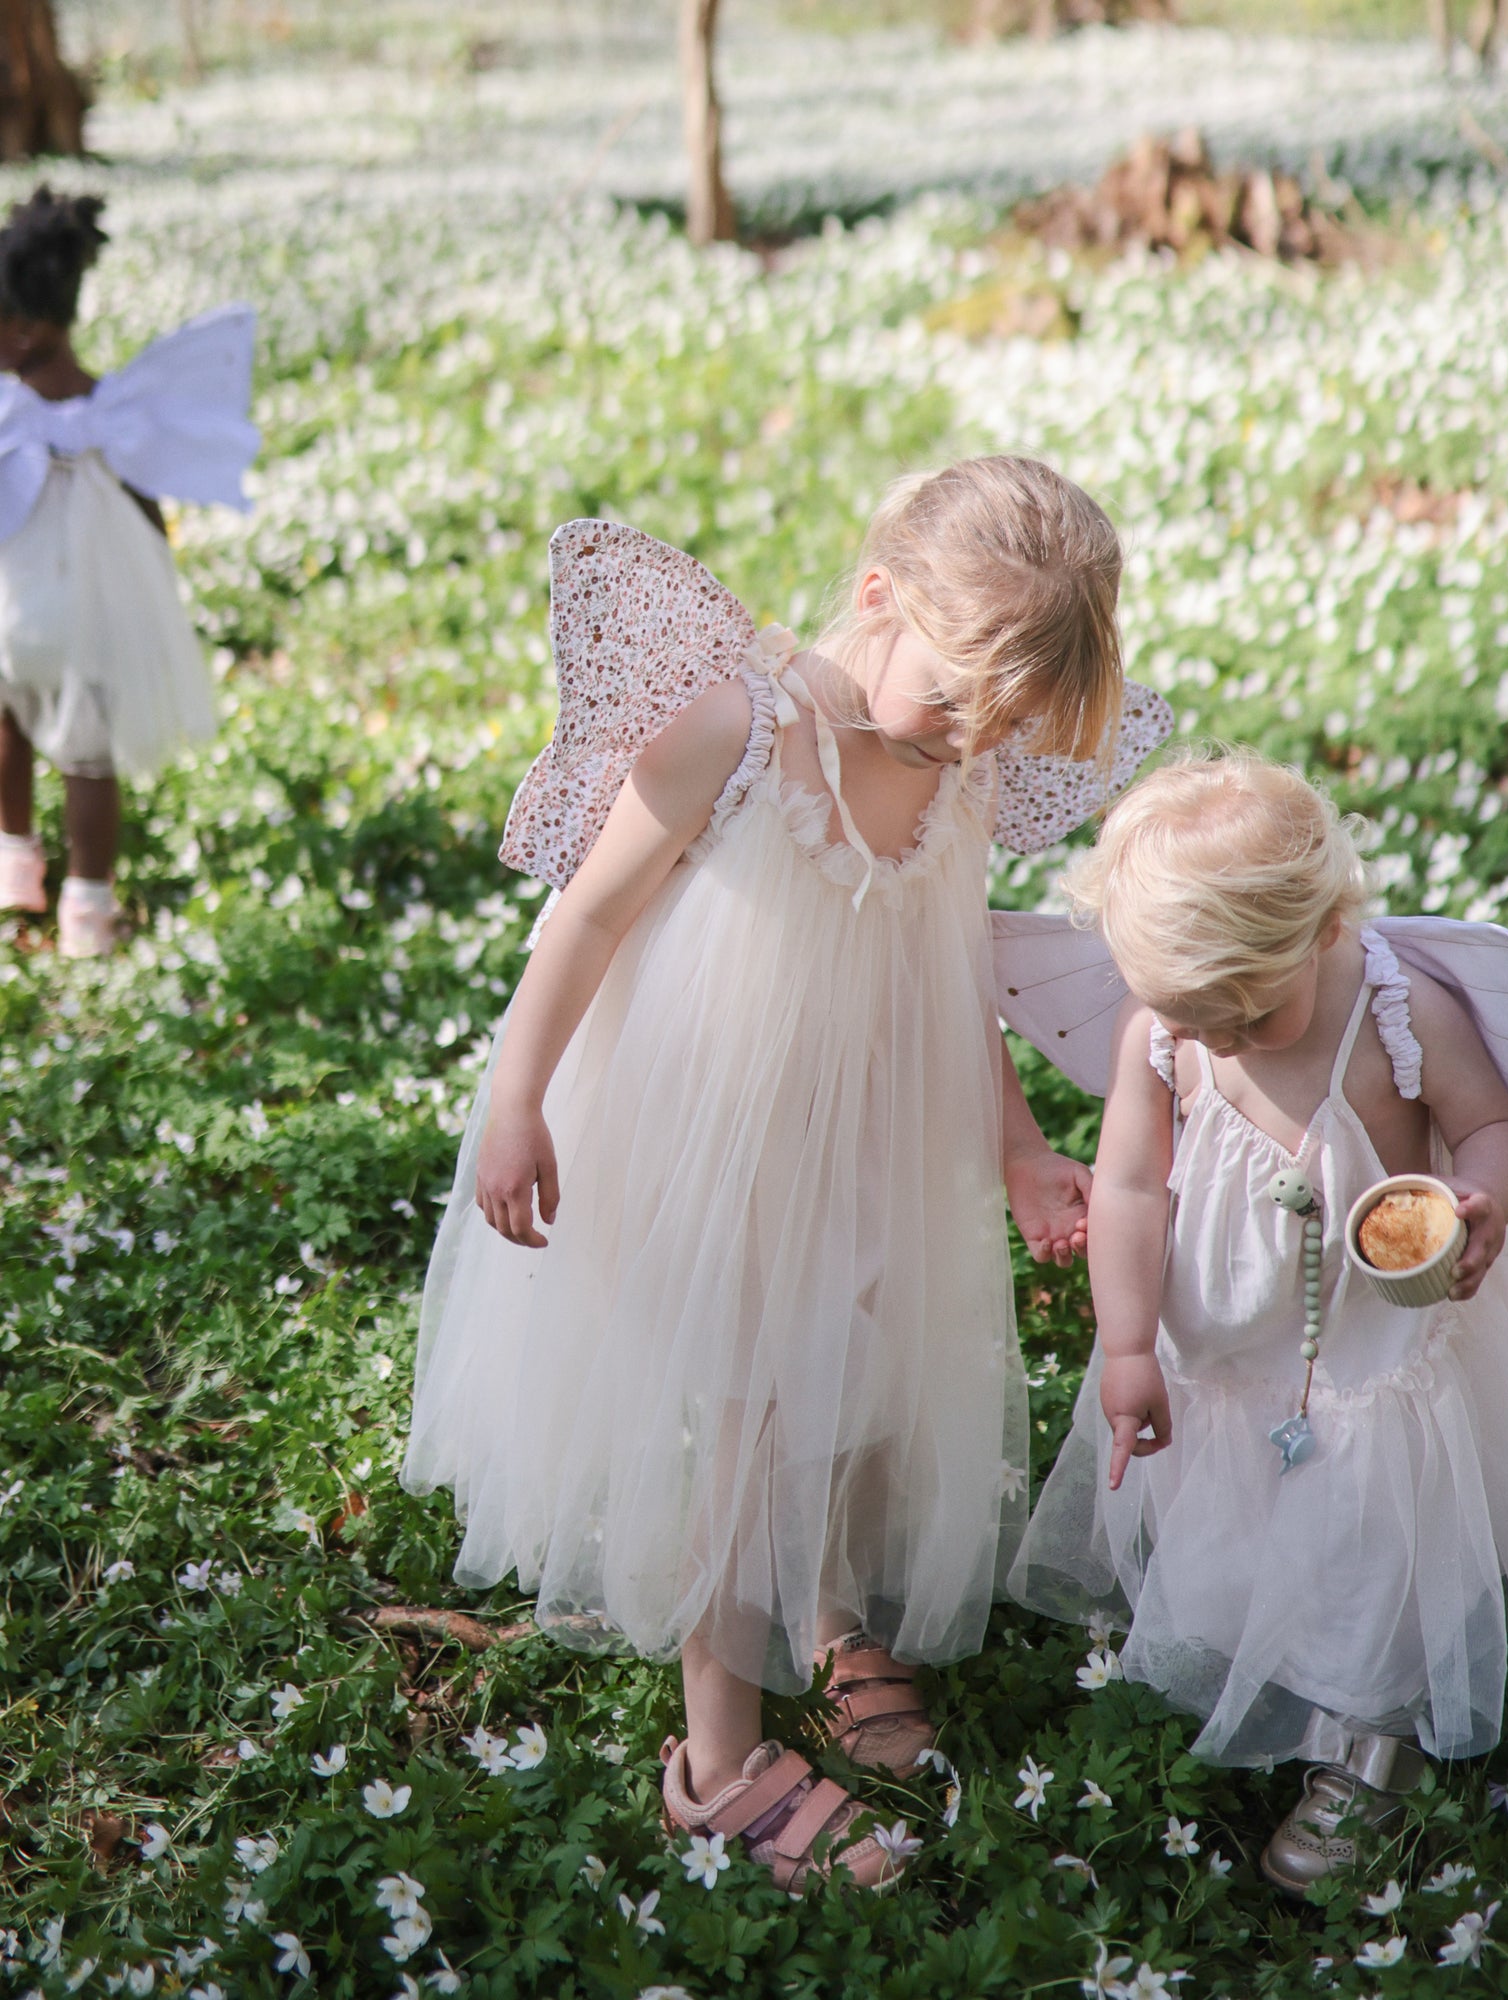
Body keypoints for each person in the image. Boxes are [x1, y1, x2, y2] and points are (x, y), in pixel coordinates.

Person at [404, 458, 1168, 1892]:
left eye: (998, 725)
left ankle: (823, 1606)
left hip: (867, 1123)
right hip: (708, 1126)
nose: (965, 744)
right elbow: (585, 923)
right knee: (751, 1409)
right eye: (951, 702)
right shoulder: (732, 727)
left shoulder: (963, 758)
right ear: (877, 597)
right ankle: (717, 1760)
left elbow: (951, 974)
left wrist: (1013, 1146)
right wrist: (516, 1102)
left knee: (852, 1368)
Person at [1009, 749, 1508, 1894]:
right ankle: (1260, 1633)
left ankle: (1369, 1731)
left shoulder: (1398, 1006)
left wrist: (1481, 1197)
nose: (1229, 1040)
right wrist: (1131, 1342)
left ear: (1326, 921)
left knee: (1367, 1515)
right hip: (1228, 1331)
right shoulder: (1165, 1024)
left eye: (1250, 1012)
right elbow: (1132, 1186)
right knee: (1237, 1494)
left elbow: (1495, 1124)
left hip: (1374, 1330)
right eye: (1203, 1019)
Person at [0, 186, 257, 956]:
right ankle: (88, 903)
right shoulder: (119, 408)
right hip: (87, 612)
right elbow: (147, 504)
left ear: (26, 330)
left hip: (11, 608)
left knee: (6, 721)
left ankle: (13, 862)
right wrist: (155, 571)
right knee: (89, 757)